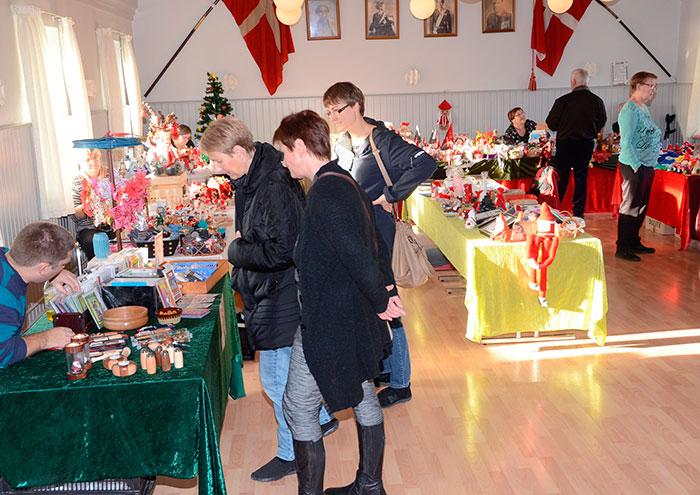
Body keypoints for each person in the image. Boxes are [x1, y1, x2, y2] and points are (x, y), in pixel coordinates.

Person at [199, 116, 337, 483]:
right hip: (271, 291)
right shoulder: (252, 177)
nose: (216, 168)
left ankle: (292, 453)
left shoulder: (272, 183)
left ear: (240, 151)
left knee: (277, 383)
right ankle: (320, 420)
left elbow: (283, 250)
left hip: (282, 292)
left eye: (219, 160)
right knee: (285, 378)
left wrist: (237, 251)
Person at [273, 109, 405, 495]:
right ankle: (370, 484)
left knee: (298, 406)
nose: (283, 159)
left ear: (300, 147)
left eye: (285, 151)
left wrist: (382, 297)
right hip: (351, 314)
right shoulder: (343, 179)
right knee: (362, 390)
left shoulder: (326, 192)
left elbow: (355, 251)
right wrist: (386, 291)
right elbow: (374, 241)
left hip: (330, 322)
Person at [322, 81, 437, 408]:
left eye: (338, 110)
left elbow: (425, 163)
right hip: (354, 231)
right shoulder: (343, 141)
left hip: (378, 232)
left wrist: (389, 195)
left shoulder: (382, 140)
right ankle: (386, 369)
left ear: (357, 105)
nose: (334, 117)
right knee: (369, 300)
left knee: (388, 301)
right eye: (329, 111)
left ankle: (401, 382)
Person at [0, 222, 80, 367]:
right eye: (62, 265)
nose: (63, 269)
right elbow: (2, 353)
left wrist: (53, 274)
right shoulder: (5, 295)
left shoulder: (7, 256)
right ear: (43, 268)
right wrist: (46, 338)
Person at [546, 68, 607, 218]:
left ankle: (555, 211)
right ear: (587, 82)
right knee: (581, 178)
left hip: (565, 144)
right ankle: (579, 213)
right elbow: (602, 122)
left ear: (573, 82)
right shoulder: (597, 101)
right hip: (585, 144)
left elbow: (551, 124)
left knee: (561, 178)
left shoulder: (563, 101)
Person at [615, 71, 661, 262]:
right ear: (639, 85)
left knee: (641, 205)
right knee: (631, 206)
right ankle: (623, 247)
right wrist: (636, 166)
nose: (654, 90)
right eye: (652, 86)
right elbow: (625, 141)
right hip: (633, 164)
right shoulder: (630, 110)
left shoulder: (643, 108)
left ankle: (634, 241)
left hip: (646, 164)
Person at [72, 150, 115, 260]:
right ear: (80, 163)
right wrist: (87, 206)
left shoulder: (110, 174)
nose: (93, 162)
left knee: (126, 237)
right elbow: (76, 216)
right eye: (88, 159)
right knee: (92, 242)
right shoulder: (77, 180)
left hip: (112, 225)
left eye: (95, 157)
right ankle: (98, 271)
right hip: (89, 227)